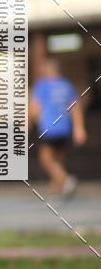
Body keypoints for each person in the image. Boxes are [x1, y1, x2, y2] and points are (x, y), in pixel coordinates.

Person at [30, 57, 86, 197]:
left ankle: (66, 180)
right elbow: (75, 107)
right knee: (58, 159)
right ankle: (55, 189)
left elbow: (35, 108)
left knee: (46, 160)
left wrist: (29, 120)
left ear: (46, 70)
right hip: (64, 127)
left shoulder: (42, 85)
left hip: (49, 127)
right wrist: (79, 128)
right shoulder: (66, 85)